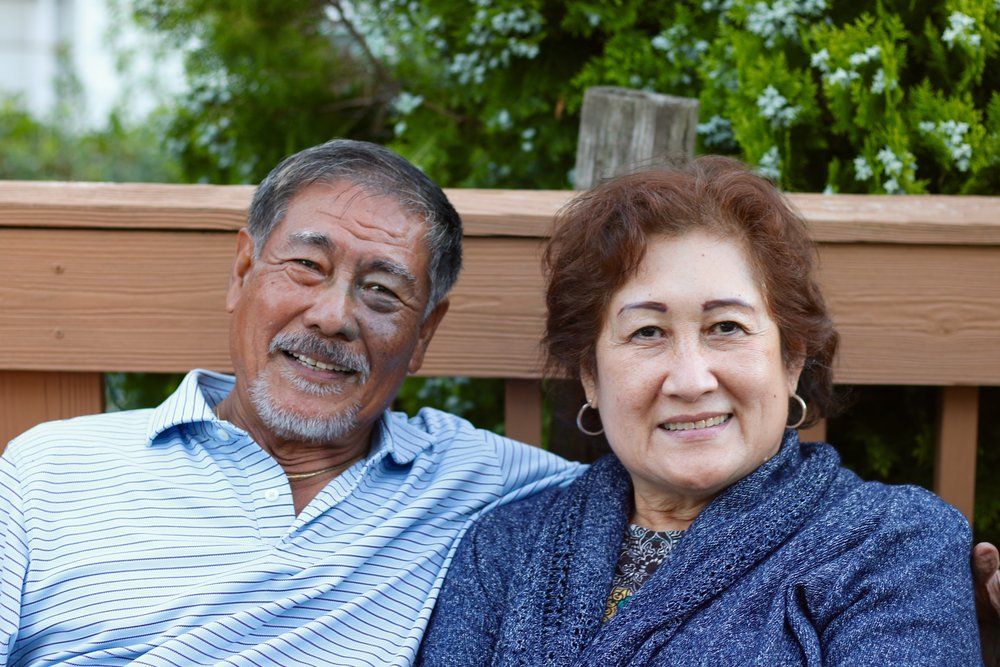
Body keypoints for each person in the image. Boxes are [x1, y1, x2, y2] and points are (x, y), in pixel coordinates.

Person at [0, 139, 581, 666]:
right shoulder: (47, 471)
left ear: (424, 333)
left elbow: (656, 489)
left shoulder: (475, 480)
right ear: (243, 271)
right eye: (307, 266)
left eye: (382, 291)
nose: (333, 317)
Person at [419, 157, 982, 666]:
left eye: (727, 328)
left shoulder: (893, 543)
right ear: (591, 375)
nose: (690, 381)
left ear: (790, 362)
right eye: (647, 332)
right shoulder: (504, 547)